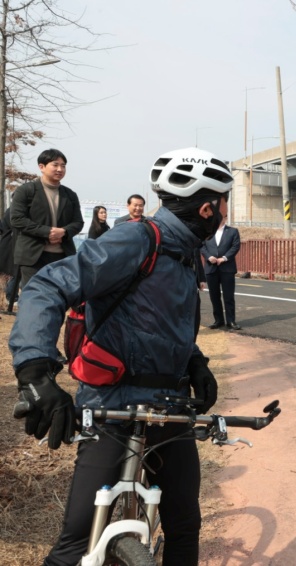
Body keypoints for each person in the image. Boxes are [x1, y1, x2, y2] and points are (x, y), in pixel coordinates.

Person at [9, 147, 231, 565]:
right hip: (112, 404)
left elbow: (159, 322)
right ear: (207, 208)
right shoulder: (137, 237)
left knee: (184, 526)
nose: (222, 212)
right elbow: (46, 287)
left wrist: (196, 362)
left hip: (171, 405)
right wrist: (36, 370)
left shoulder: (185, 255)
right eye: (222, 204)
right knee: (76, 542)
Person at [10, 148, 83, 288]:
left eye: (63, 166)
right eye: (55, 165)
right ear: (41, 167)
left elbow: (78, 222)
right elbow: (17, 219)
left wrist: (64, 232)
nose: (60, 169)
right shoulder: (26, 190)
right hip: (33, 257)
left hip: (62, 256)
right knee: (34, 297)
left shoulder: (70, 195)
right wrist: (47, 232)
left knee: (58, 298)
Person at [201, 215, 242, 330]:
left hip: (227, 267)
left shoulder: (233, 231)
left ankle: (231, 321)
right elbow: (202, 246)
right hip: (211, 267)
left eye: (222, 217)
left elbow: (235, 246)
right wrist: (208, 257)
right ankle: (218, 320)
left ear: (226, 218)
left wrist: (224, 258)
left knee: (228, 296)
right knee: (214, 296)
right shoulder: (207, 232)